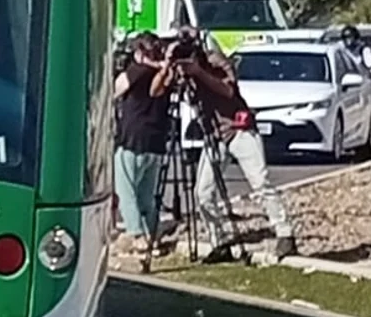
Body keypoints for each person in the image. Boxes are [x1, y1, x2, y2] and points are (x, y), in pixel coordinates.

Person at [171, 28, 298, 261]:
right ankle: (219, 241)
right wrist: (171, 67)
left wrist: (199, 72)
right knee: (203, 193)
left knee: (260, 183)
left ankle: (285, 233)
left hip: (240, 129)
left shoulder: (215, 62)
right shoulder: (183, 71)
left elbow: (228, 90)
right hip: (214, 136)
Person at [112, 32, 172, 263]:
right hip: (156, 142)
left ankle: (136, 235)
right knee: (147, 195)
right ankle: (152, 235)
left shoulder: (137, 72)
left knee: (126, 190)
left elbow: (116, 89)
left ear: (139, 52)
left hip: (132, 139)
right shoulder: (165, 75)